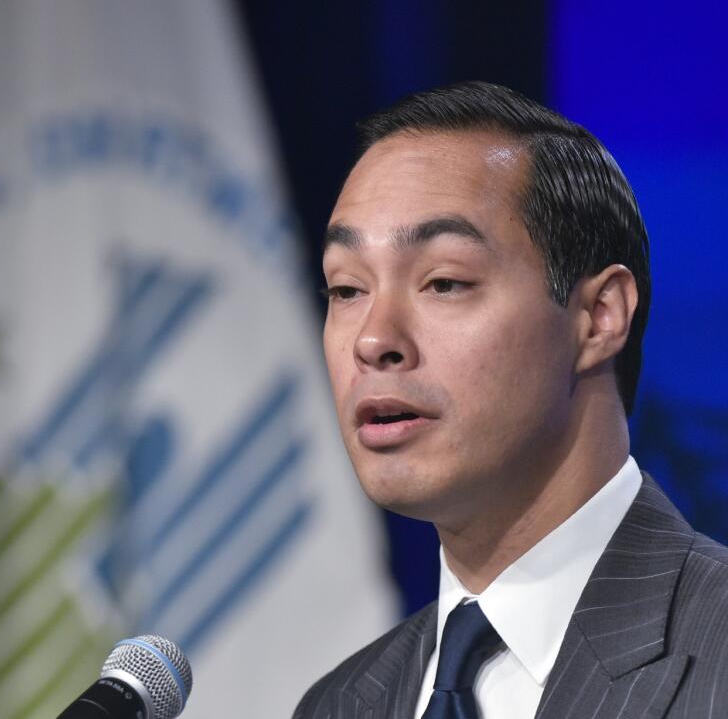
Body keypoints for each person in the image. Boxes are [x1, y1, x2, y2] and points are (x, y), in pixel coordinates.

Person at [293, 81, 728, 719]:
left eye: (443, 282)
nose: (374, 340)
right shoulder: (338, 705)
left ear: (599, 317)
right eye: (346, 289)